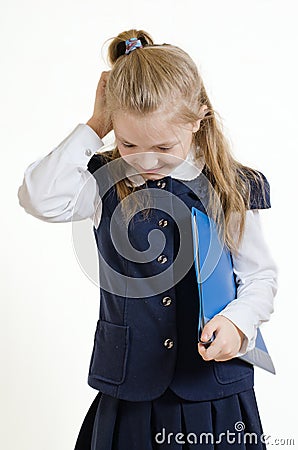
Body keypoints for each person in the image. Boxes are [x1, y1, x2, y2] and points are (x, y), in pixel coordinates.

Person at [18, 29, 278, 449]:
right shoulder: (102, 184)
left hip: (215, 393)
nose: (146, 159)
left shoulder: (232, 186)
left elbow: (260, 278)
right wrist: (95, 124)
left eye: (162, 145)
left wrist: (237, 322)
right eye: (128, 143)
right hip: (132, 393)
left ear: (197, 120)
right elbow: (37, 197)